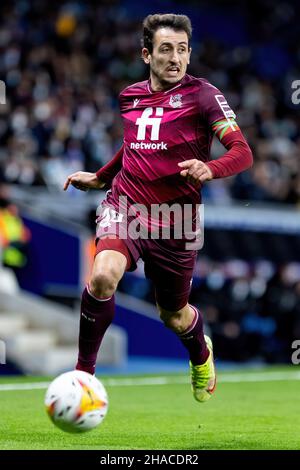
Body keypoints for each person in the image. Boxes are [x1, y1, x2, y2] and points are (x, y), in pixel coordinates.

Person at [64, 13, 253, 402]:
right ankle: (83, 376)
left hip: (176, 221)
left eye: (183, 50)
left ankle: (201, 353)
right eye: (166, 49)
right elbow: (134, 144)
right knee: (102, 276)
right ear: (146, 54)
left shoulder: (204, 96)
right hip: (127, 205)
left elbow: (242, 151)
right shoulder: (129, 96)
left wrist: (210, 167)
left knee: (173, 314)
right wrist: (102, 178)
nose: (176, 58)